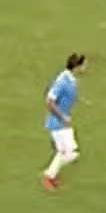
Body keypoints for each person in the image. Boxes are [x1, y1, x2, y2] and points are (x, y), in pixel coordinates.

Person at [41, 53, 87, 192]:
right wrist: (62, 116)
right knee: (68, 153)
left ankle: (50, 173)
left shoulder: (70, 78)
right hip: (57, 123)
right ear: (78, 67)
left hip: (63, 122)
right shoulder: (63, 80)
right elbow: (50, 100)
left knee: (67, 152)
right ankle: (48, 177)